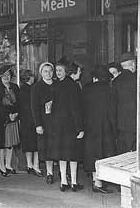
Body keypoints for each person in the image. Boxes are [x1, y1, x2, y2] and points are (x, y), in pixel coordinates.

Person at [51, 59, 84, 192]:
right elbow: (76, 109)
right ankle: (74, 182)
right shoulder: (74, 86)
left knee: (62, 154)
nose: (57, 73)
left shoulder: (56, 85)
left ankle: (64, 182)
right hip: (71, 125)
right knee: (73, 154)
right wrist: (80, 128)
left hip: (58, 125)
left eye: (59, 70)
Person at [82, 65, 116, 194]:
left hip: (89, 126)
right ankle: (99, 183)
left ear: (95, 77)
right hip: (105, 126)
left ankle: (95, 179)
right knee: (103, 152)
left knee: (92, 152)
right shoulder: (108, 89)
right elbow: (112, 110)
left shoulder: (86, 89)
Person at [0, 64, 20, 177]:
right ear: (0, 77)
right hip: (1, 120)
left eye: (8, 75)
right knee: (2, 144)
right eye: (3, 75)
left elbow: (19, 103)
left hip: (13, 118)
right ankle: (2, 166)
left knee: (10, 144)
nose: (6, 77)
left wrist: (16, 114)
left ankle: (8, 165)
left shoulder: (15, 87)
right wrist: (8, 116)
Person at [31, 62, 55, 184]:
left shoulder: (57, 85)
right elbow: (34, 107)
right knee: (47, 148)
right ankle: (49, 172)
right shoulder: (37, 87)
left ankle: (62, 171)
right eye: (45, 71)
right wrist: (38, 124)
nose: (48, 73)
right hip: (44, 121)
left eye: (50, 70)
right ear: (41, 73)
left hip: (57, 121)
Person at [112, 52, 137, 153]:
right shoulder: (136, 79)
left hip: (121, 124)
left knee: (123, 153)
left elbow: (113, 105)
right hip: (136, 122)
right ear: (133, 64)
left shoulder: (115, 81)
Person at [19, 69, 42, 177]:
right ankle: (36, 165)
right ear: (30, 77)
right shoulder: (34, 89)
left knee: (28, 144)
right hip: (33, 119)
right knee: (36, 144)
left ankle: (29, 165)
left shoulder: (21, 89)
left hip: (24, 120)